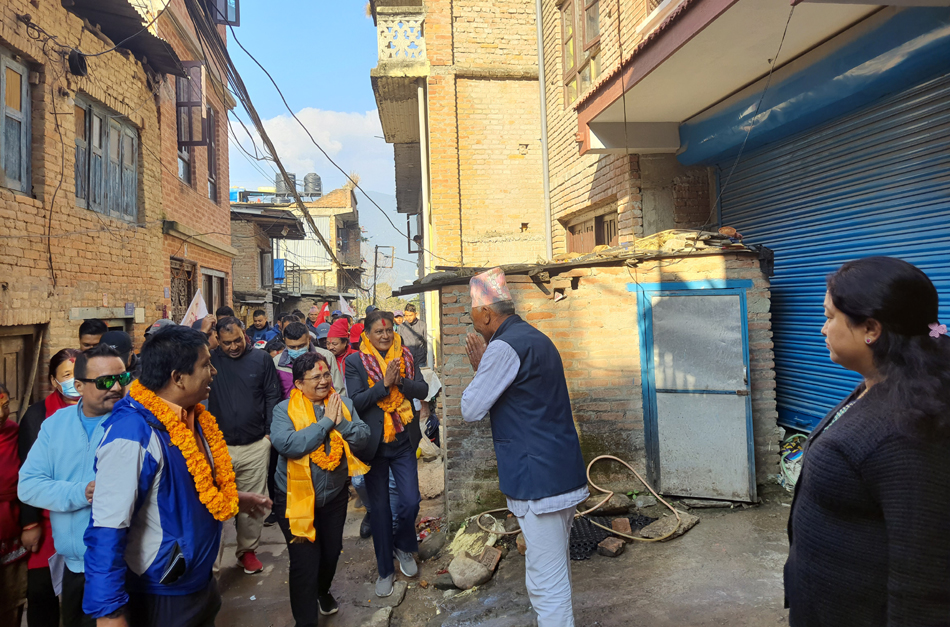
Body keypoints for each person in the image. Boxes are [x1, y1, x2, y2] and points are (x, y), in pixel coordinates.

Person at [785, 257, 950, 626]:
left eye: (829, 316)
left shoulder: (906, 430)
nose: (822, 329)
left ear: (870, 329)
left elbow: (925, 579)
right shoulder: (882, 385)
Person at [82, 325, 270, 626]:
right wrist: (109, 612)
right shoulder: (132, 436)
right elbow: (107, 527)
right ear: (177, 378)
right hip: (162, 594)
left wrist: (234, 499)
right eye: (205, 365)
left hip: (198, 583)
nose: (214, 372)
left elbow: (183, 491)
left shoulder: (192, 417)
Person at [460, 267, 588, 627]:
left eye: (473, 315)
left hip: (539, 480)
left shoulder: (503, 347)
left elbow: (470, 408)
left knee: (547, 582)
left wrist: (480, 369)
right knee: (547, 572)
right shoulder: (536, 338)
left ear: (487, 313)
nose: (473, 324)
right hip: (556, 473)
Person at [19, 344, 131, 627]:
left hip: (123, 565)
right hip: (74, 566)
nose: (116, 387)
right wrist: (81, 492)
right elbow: (29, 485)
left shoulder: (135, 424)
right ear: (79, 385)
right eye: (106, 381)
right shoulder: (55, 424)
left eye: (123, 378)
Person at [270, 352, 370, 622]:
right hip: (294, 498)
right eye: (316, 377)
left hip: (333, 497)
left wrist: (342, 422)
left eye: (326, 374)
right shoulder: (284, 410)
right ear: (299, 384)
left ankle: (323, 590)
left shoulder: (343, 404)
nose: (324, 380)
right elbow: (289, 445)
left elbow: (363, 439)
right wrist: (326, 422)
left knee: (330, 553)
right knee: (304, 563)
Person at [345, 310, 428, 597]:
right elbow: (358, 401)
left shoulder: (405, 356)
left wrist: (400, 381)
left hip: (403, 440)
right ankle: (385, 569)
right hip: (374, 446)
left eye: (389, 330)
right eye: (378, 331)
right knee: (380, 511)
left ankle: (403, 546)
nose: (384, 335)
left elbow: (423, 389)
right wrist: (384, 385)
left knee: (410, 502)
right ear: (367, 334)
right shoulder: (355, 362)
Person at [207, 317, 281, 575]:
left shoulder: (261, 360)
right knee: (212, 505)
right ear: (217, 339)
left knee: (253, 504)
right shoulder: (209, 360)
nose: (234, 346)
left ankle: (247, 552)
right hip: (218, 447)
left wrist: (269, 436)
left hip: (255, 445)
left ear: (244, 334)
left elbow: (273, 396)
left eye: (238, 339)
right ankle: (209, 563)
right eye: (227, 342)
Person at [17, 348, 82, 627]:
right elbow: (28, 475)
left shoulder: (99, 408)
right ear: (54, 381)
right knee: (42, 591)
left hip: (83, 516)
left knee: (80, 593)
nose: (73, 380)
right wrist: (30, 524)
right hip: (47, 519)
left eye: (77, 374)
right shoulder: (37, 416)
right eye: (66, 375)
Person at [0, 383, 27, 626]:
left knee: (11, 603)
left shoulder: (14, 433)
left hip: (10, 538)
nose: (1, 414)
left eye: (6, 406)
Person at [275, 322, 343, 400]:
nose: (297, 350)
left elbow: (339, 389)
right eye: (292, 347)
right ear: (284, 341)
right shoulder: (277, 363)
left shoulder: (326, 357)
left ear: (309, 339)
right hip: (290, 410)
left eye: (301, 346)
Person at [400, 304, 427, 368]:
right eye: (406, 315)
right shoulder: (401, 327)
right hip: (406, 361)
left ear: (416, 314)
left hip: (420, 361)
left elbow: (426, 342)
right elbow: (399, 344)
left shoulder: (422, 325)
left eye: (410, 315)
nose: (408, 318)